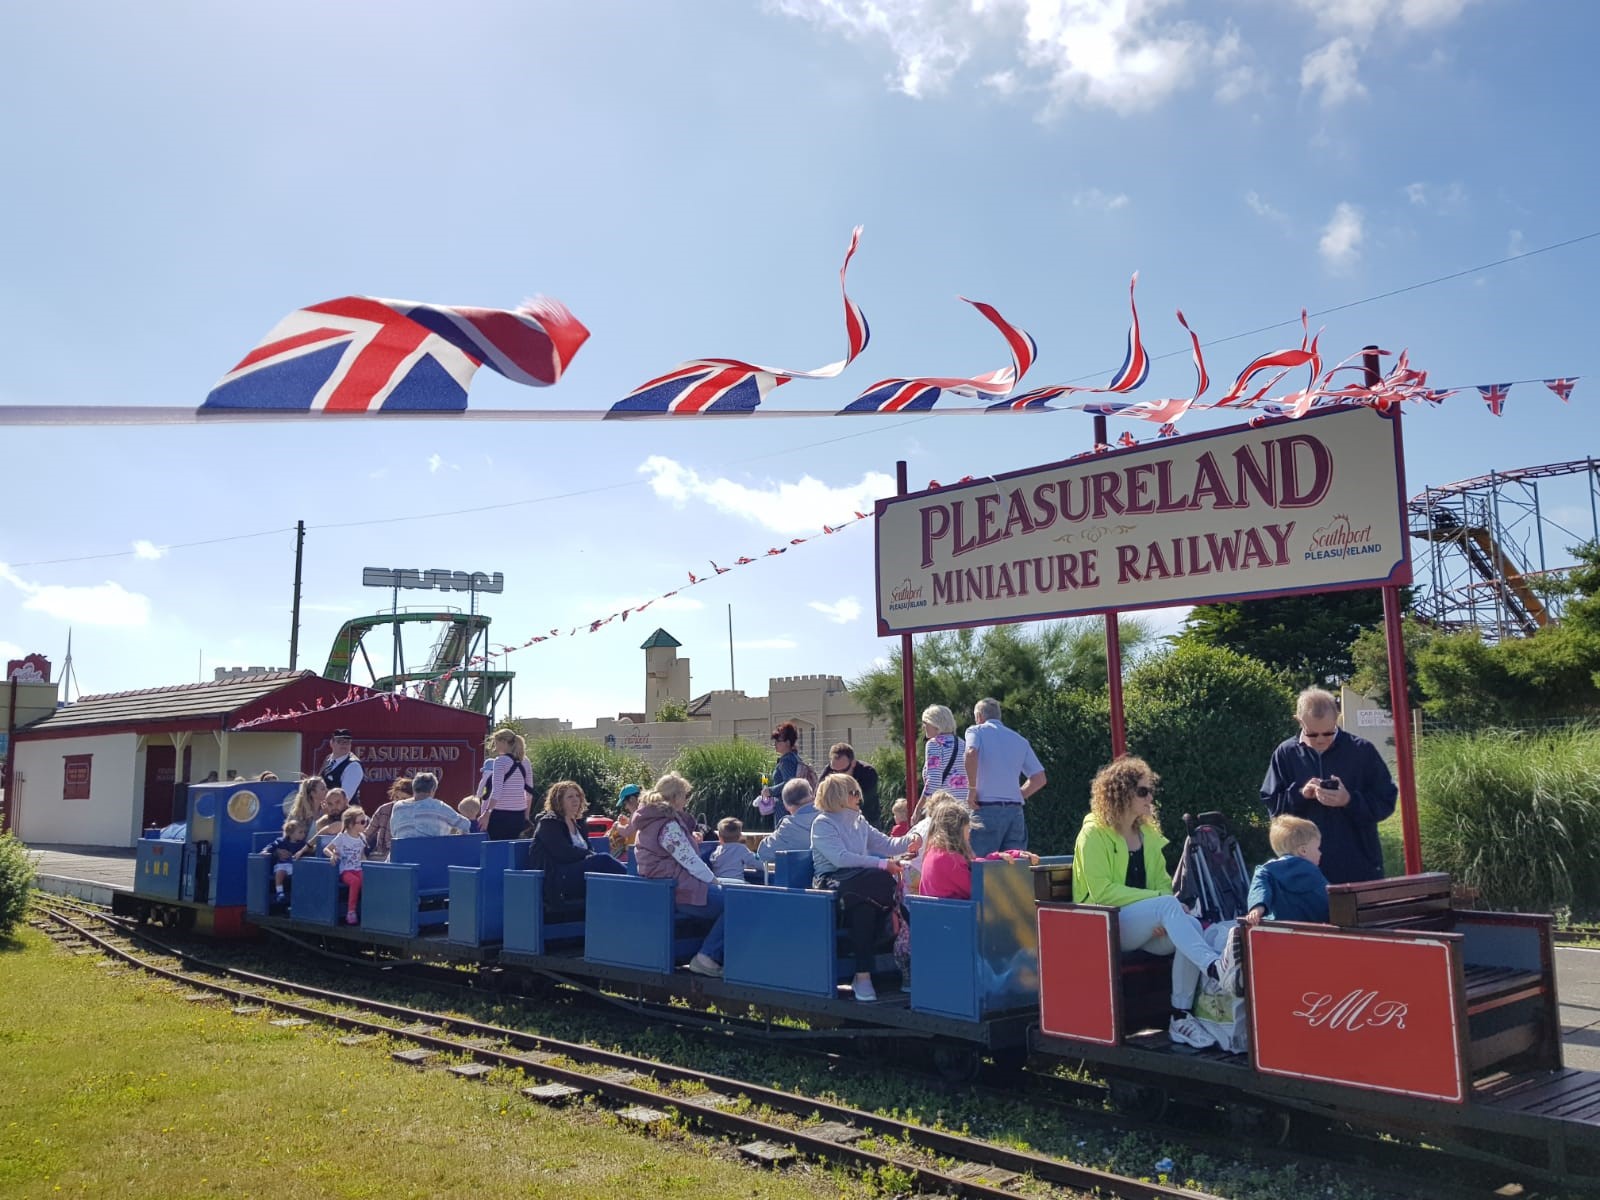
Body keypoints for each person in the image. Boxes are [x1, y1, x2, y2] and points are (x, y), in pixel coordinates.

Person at [1074, 757, 1239, 1049]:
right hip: (1103, 926)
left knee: (1187, 922)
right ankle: (1214, 968)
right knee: (1170, 908)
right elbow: (1101, 892)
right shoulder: (1093, 833)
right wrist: (1161, 906)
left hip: (1144, 925)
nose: (1150, 798)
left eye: (1150, 791)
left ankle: (1180, 1015)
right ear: (1121, 793)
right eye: (1143, 791)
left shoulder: (1147, 834)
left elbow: (1163, 884)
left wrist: (1163, 911)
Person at [1260, 687, 1398, 885]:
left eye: (1328, 732)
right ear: (1299, 721)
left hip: (1357, 864)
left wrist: (1349, 800)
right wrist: (1300, 795)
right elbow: (1273, 807)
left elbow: (1386, 801)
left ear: (1337, 719)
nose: (1321, 740)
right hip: (1303, 869)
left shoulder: (1361, 751)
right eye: (1312, 734)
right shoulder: (1285, 753)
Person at [810, 773, 917, 1002]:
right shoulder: (823, 823)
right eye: (854, 792)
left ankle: (865, 974)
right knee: (868, 894)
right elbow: (840, 859)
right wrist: (881, 864)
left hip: (862, 881)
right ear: (838, 796)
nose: (859, 797)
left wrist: (912, 838)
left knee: (870, 899)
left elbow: (887, 844)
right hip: (832, 881)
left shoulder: (858, 820)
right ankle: (863, 974)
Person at [631, 772, 726, 978]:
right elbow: (690, 861)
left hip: (670, 888)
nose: (686, 799)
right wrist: (715, 881)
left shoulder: (650, 821)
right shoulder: (668, 825)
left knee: (729, 897)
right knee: (738, 902)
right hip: (681, 890)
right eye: (684, 795)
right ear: (674, 798)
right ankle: (706, 957)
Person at [963, 698, 1046, 856]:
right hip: (1015, 812)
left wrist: (972, 789)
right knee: (1013, 869)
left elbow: (971, 752)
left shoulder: (975, 731)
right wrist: (1018, 794)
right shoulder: (1019, 740)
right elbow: (1039, 778)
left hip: (985, 808)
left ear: (979, 716)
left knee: (980, 866)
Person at [528, 780, 628, 909]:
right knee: (602, 860)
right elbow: (563, 854)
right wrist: (589, 855)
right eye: (570, 797)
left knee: (604, 868)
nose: (575, 800)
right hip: (558, 878)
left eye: (577, 796)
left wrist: (589, 855)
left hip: (580, 874)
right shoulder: (548, 823)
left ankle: (632, 892)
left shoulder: (579, 823)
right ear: (559, 801)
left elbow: (588, 850)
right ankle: (638, 884)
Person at [918, 803, 1038, 901]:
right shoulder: (949, 859)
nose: (969, 834)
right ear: (956, 831)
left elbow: (971, 863)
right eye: (967, 829)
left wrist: (1002, 856)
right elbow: (980, 888)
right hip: (956, 921)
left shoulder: (934, 852)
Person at [1245, 815, 1329, 925]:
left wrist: (1257, 908)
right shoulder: (1313, 872)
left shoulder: (1266, 871)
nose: (1320, 853)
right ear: (1303, 850)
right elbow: (1329, 900)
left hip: (1282, 932)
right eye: (1318, 848)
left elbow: (1259, 890)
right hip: (1318, 931)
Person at [477, 728, 536, 840]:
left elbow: (496, 791)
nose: (495, 747)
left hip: (500, 814)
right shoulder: (525, 761)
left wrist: (487, 813)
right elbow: (529, 792)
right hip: (519, 814)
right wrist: (526, 815)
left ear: (504, 742)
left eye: (496, 743)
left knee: (498, 848)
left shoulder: (500, 761)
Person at [914, 704, 969, 820]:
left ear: (935, 724)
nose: (924, 727)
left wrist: (918, 809)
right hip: (965, 808)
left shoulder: (934, 744)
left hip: (944, 808)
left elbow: (933, 782)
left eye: (925, 723)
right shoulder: (962, 743)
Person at [388, 772, 473, 840]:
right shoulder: (438, 806)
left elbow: (394, 832)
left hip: (401, 856)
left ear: (413, 788)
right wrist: (451, 831)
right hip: (431, 858)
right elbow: (465, 824)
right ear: (433, 790)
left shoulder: (398, 807)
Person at [818, 742, 881, 827]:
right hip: (838, 821)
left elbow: (861, 801)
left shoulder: (867, 773)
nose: (838, 775)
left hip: (867, 819)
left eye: (843, 770)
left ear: (853, 763)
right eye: (834, 771)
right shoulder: (829, 771)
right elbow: (818, 797)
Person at [756, 779, 819, 864]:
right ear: (812, 796)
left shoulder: (788, 826)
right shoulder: (831, 817)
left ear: (786, 806)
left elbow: (764, 854)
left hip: (801, 875)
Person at [325, 806, 369, 925]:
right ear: (350, 825)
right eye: (362, 822)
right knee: (355, 882)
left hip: (358, 868)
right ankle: (351, 911)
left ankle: (367, 910)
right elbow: (327, 849)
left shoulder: (362, 838)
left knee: (367, 880)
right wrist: (332, 855)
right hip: (345, 871)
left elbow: (362, 855)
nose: (365, 824)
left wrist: (367, 865)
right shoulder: (342, 838)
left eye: (365, 821)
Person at [761, 723, 812, 812]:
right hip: (793, 805)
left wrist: (770, 791)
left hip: (784, 806)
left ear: (788, 742)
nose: (775, 744)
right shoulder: (795, 757)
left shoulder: (786, 760)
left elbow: (789, 783)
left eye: (778, 741)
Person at [261, 818, 310, 906]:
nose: (303, 834)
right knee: (279, 874)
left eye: (304, 832)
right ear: (291, 833)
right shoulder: (281, 841)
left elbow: (308, 851)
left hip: (294, 866)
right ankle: (280, 892)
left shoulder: (302, 844)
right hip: (282, 864)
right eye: (300, 832)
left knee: (299, 877)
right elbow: (271, 846)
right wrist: (265, 851)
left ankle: (298, 897)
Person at [363, 776, 411, 863]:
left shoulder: (416, 812)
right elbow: (367, 834)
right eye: (397, 798)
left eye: (404, 799)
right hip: (382, 855)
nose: (399, 802)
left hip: (407, 856)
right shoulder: (384, 809)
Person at [319, 729, 365, 807]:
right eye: (340, 741)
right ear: (332, 743)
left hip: (346, 815)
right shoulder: (328, 759)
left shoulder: (353, 766)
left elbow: (344, 798)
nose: (344, 745)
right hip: (327, 810)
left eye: (347, 742)